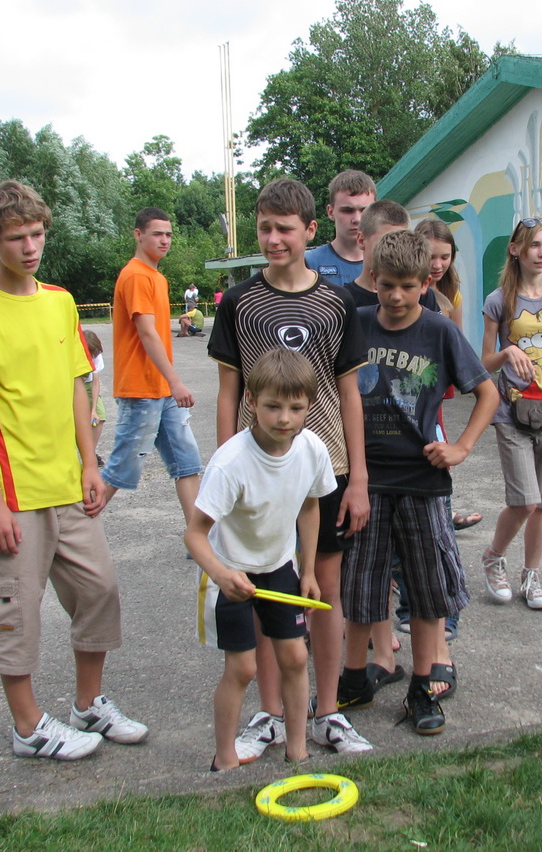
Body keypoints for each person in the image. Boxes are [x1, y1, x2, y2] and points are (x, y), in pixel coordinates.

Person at [0, 180, 146, 761]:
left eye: (37, 234)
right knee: (16, 611)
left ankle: (88, 706)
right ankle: (29, 727)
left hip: (67, 485)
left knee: (99, 591)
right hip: (13, 497)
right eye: (17, 238)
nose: (31, 247)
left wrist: (90, 463)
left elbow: (77, 388)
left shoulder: (60, 301)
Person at [208, 177, 372, 758]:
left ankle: (328, 712)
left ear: (310, 230)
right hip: (256, 474)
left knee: (322, 587)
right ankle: (271, 714)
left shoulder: (338, 301)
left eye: (285, 228)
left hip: (323, 468)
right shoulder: (238, 302)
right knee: (264, 587)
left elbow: (349, 394)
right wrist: (227, 467)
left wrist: (358, 478)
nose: (274, 239)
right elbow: (228, 390)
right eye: (265, 228)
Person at [341, 229, 497, 734]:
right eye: (386, 285)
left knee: (428, 589)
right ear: (373, 277)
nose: (395, 296)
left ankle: (424, 688)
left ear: (426, 282)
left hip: (423, 480)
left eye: (407, 286)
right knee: (361, 584)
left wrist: (461, 447)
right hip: (366, 479)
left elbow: (488, 393)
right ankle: (354, 679)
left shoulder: (440, 330)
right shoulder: (355, 323)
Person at [186, 348, 334, 770]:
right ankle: (224, 760)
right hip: (229, 570)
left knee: (296, 658)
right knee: (242, 669)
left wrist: (308, 570)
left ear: (309, 406)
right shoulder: (231, 462)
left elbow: (309, 505)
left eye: (295, 408)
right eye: (273, 406)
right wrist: (221, 574)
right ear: (251, 400)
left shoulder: (312, 449)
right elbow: (194, 534)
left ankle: (297, 751)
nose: (284, 418)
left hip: (279, 566)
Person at [480, 217, 542, 610]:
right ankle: (493, 557)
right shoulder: (498, 301)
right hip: (511, 411)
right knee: (525, 499)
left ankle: (531, 576)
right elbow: (484, 362)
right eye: (535, 245)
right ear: (516, 250)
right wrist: (507, 352)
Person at [101, 208, 203, 530]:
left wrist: (169, 384)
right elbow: (147, 333)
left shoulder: (158, 278)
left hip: (162, 390)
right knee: (121, 469)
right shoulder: (136, 275)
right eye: (157, 233)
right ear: (138, 234)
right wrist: (176, 381)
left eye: (168, 234)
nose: (164, 240)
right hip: (141, 389)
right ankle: (70, 531)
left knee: (187, 463)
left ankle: (198, 539)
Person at [414, 218, 484, 533]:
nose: (438, 264)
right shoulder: (408, 287)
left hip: (436, 381)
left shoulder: (451, 291)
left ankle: (443, 512)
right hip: (410, 378)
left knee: (437, 443)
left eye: (446, 256)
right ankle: (442, 514)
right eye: (432, 257)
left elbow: (458, 341)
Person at [304, 169, 376, 287]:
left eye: (364, 210)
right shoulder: (309, 263)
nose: (357, 219)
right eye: (347, 210)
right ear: (330, 212)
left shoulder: (387, 263)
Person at [83, 330, 107, 466]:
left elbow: (95, 382)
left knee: (100, 415)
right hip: (74, 385)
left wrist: (93, 410)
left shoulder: (96, 354)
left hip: (89, 385)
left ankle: (90, 453)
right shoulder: (75, 353)